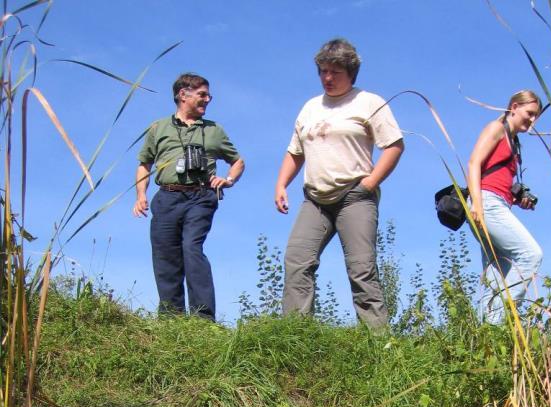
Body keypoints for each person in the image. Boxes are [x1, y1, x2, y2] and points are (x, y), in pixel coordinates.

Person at [274, 38, 404, 328]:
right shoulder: (310, 107)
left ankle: (378, 343)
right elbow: (295, 151)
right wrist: (281, 184)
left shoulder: (368, 102)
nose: (328, 78)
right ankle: (294, 336)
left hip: (354, 198)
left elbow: (394, 145)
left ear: (351, 72)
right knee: (297, 261)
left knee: (361, 269)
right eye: (323, 71)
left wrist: (369, 184)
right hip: (315, 200)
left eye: (335, 72)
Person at [133, 73, 245, 320]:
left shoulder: (214, 130)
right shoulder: (158, 128)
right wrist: (141, 194)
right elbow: (144, 164)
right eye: (202, 95)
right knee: (165, 254)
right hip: (167, 197)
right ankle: (171, 319)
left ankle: (202, 319)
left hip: (201, 196)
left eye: (209, 96)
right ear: (183, 94)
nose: (207, 100)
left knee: (191, 248)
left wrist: (229, 179)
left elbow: (237, 161)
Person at [467, 90, 543, 323]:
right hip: (487, 203)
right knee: (531, 255)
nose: (532, 120)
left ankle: (487, 339)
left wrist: (518, 199)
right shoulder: (496, 128)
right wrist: (478, 205)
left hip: (498, 202)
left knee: (496, 275)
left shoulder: (514, 142)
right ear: (514, 107)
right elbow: (473, 163)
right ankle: (499, 321)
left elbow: (497, 177)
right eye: (529, 113)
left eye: (535, 116)